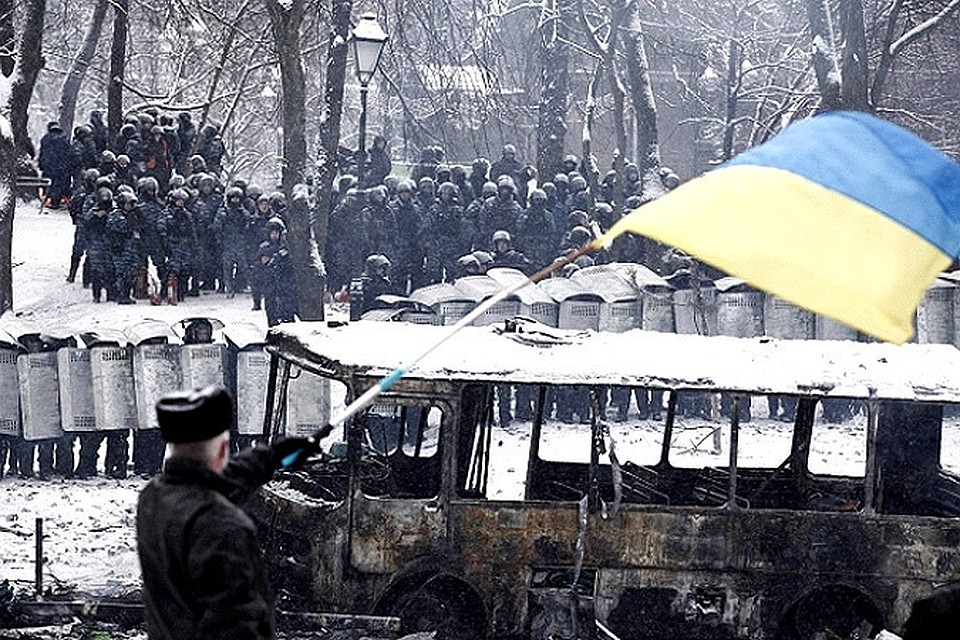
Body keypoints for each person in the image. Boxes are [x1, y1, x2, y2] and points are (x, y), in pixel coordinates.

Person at [137, 385, 318, 640]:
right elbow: (237, 627)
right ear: (224, 449)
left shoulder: (153, 498)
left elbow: (218, 480)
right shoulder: (224, 526)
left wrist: (273, 456)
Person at [38, 122, 73, 209]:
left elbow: (43, 153)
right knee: (60, 184)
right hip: (62, 166)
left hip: (49, 166)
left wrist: (42, 164)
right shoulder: (64, 138)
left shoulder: (46, 138)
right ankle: (57, 200)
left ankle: (50, 200)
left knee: (50, 183)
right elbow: (68, 152)